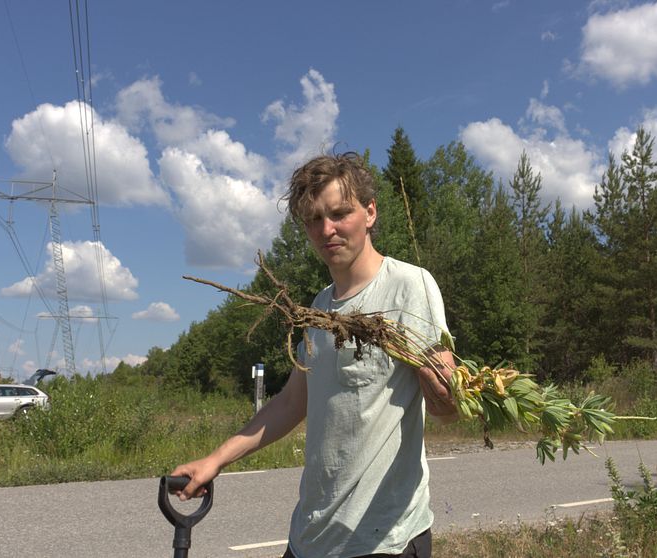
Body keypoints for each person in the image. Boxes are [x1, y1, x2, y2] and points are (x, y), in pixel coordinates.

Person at [171, 151, 457, 558]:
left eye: (340, 213)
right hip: (311, 537)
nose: (327, 230)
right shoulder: (317, 312)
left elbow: (447, 409)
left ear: (370, 212)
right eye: (313, 220)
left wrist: (446, 391)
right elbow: (291, 403)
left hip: (382, 540)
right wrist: (214, 460)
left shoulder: (409, 287)